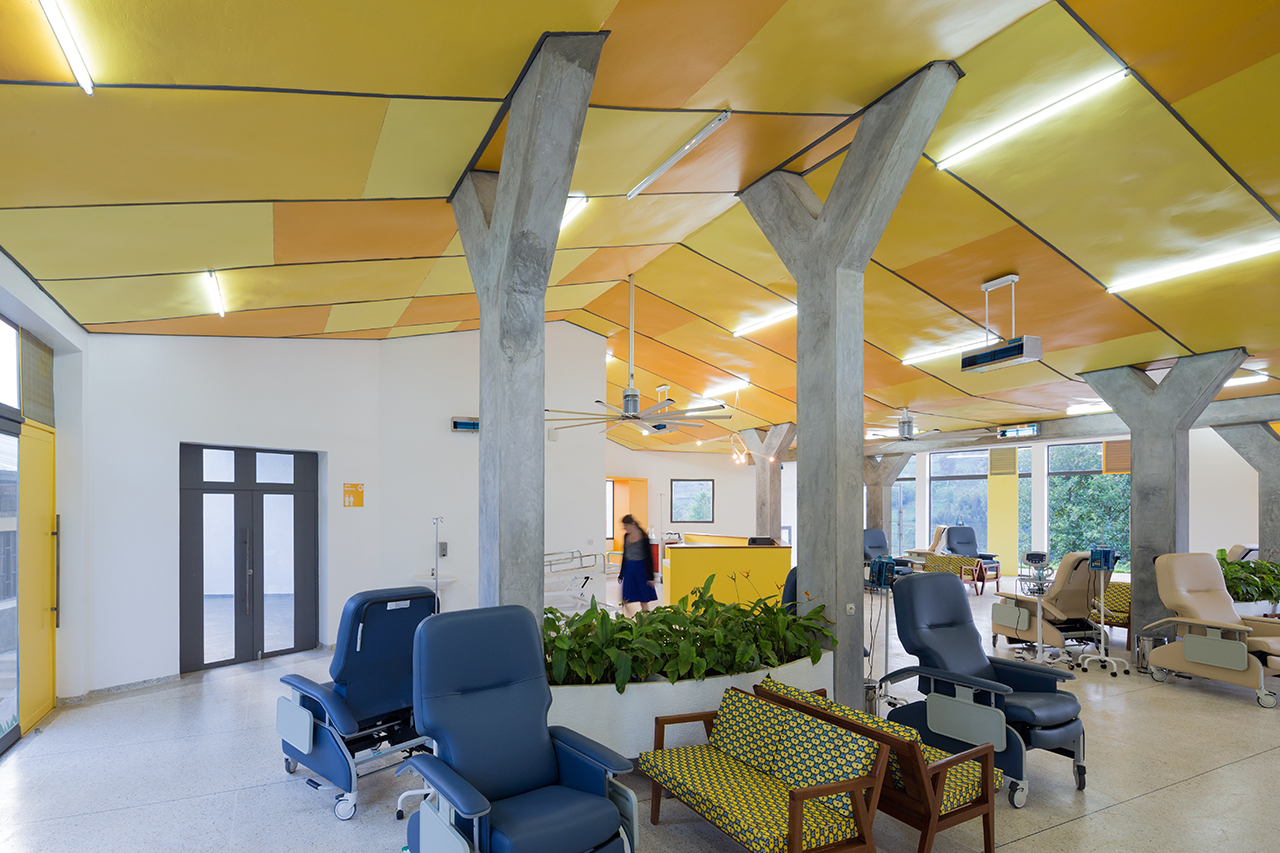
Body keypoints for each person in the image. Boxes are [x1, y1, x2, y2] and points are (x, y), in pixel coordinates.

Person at [618, 514, 657, 617]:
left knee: (643, 599)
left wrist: (651, 577)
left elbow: (649, 557)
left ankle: (646, 621)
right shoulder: (626, 536)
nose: (624, 528)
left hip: (641, 570)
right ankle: (631, 620)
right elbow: (625, 556)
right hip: (629, 569)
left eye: (625, 526)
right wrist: (621, 574)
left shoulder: (643, 537)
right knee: (625, 599)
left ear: (631, 524)